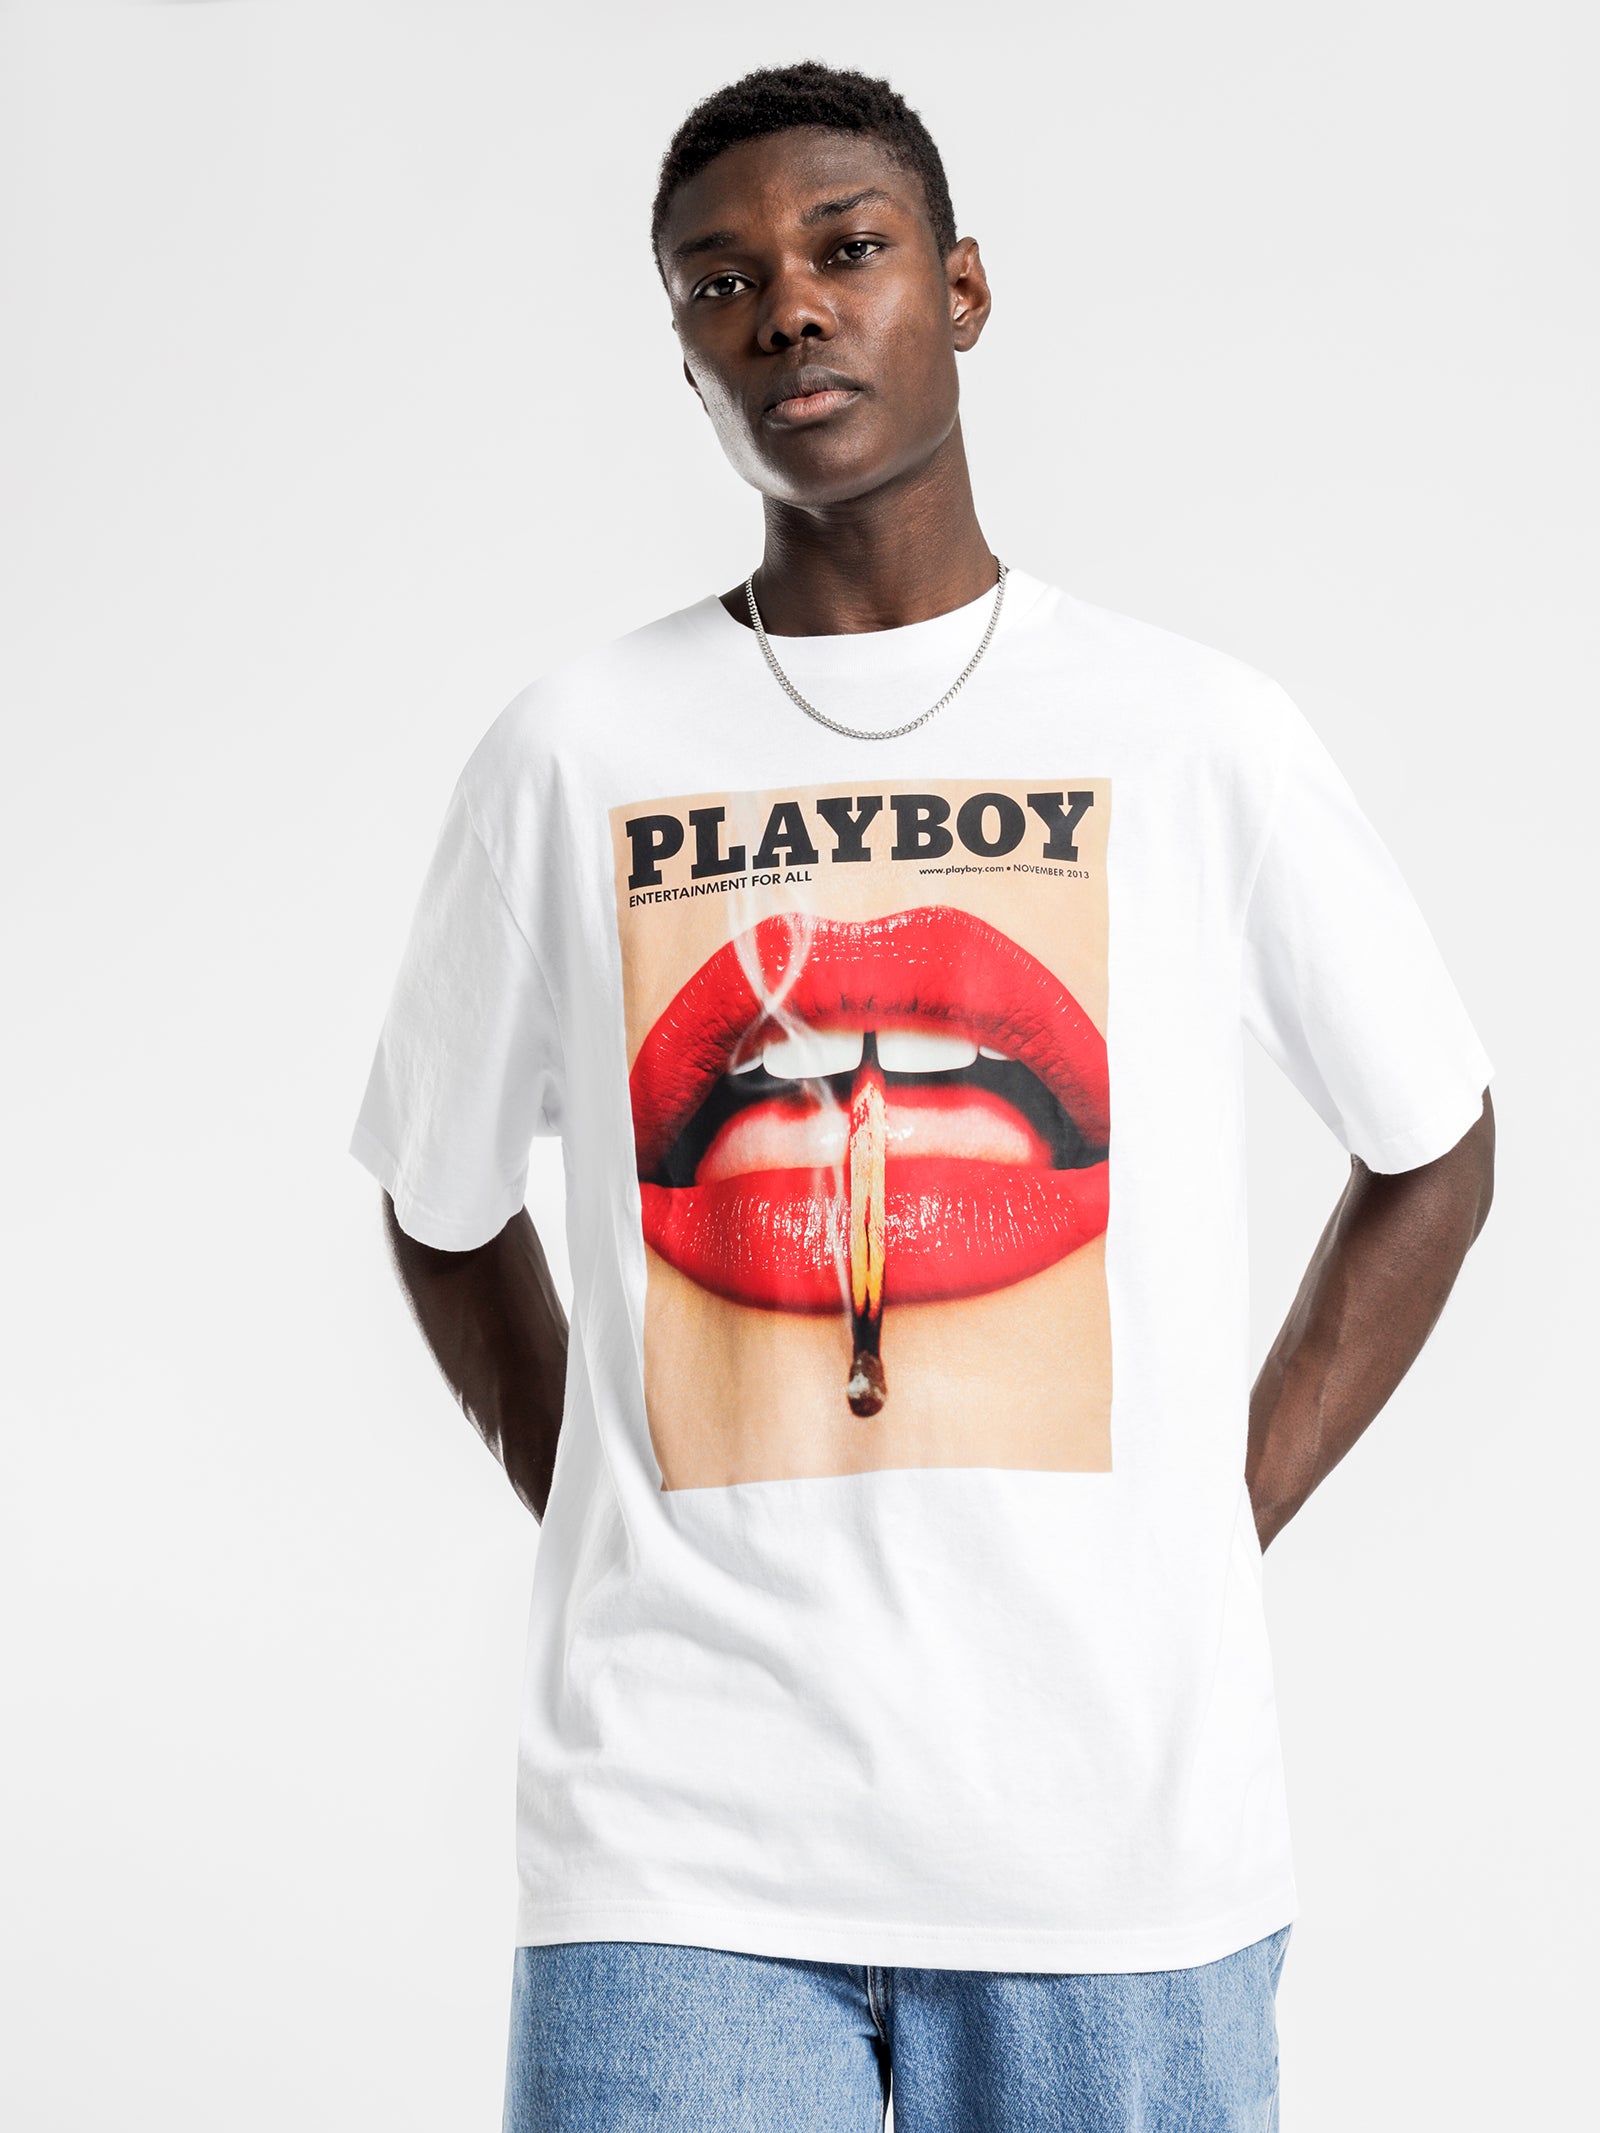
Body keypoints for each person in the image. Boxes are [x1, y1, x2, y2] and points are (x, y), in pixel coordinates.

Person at [350, 61, 1495, 2133]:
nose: (785, 306)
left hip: (1116, 1850)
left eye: (846, 248)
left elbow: (1433, 1138)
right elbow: (440, 1197)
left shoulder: (1194, 732)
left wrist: (1213, 1510)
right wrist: (601, 1489)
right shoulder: (570, 751)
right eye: (719, 282)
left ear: (959, 287)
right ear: (682, 352)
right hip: (672, 1848)